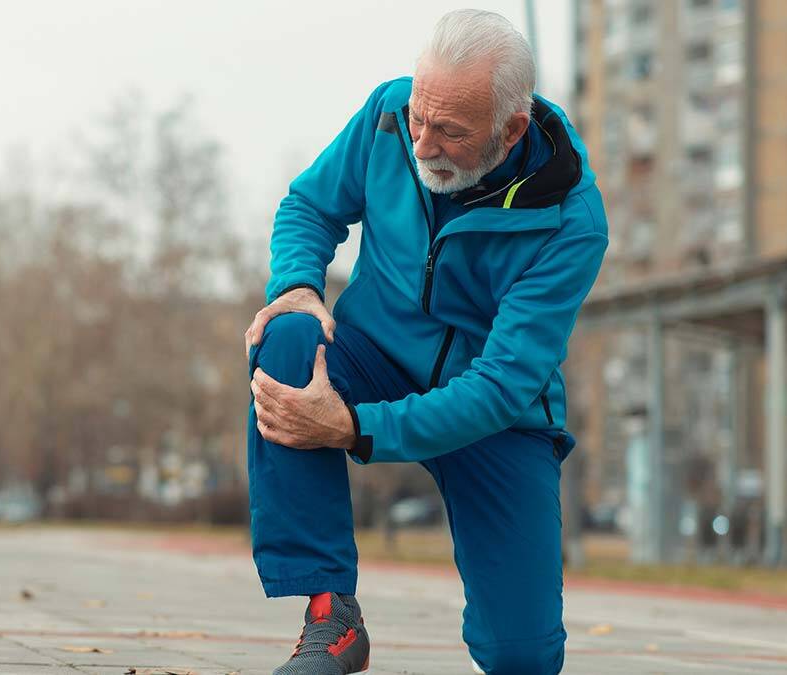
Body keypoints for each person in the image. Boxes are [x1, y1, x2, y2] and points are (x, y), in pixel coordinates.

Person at [243, 9, 608, 675]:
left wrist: (354, 427)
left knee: (523, 657)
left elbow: (500, 387)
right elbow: (310, 205)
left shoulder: (571, 221)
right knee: (289, 337)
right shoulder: (389, 113)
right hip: (373, 355)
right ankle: (332, 616)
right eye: (420, 116)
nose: (422, 142)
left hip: (497, 416)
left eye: (448, 131)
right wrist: (295, 282)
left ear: (512, 130)